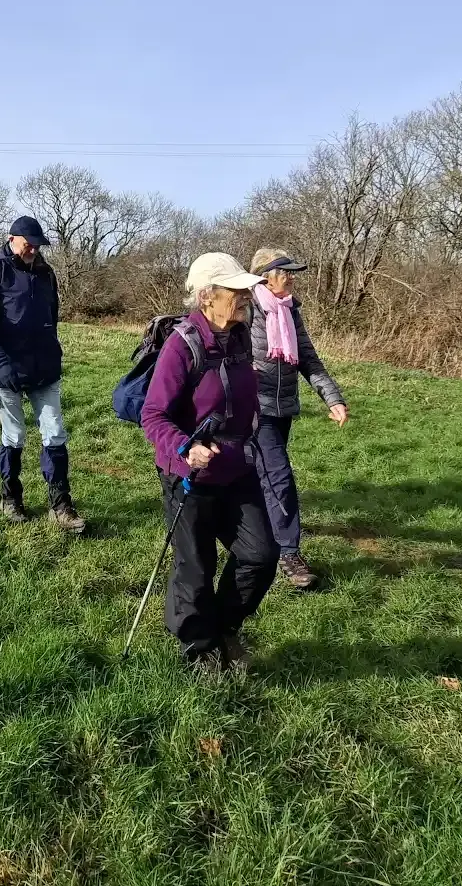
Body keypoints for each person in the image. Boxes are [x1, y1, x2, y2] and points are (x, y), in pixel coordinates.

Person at [141, 252, 279, 671]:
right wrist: (185, 448)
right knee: (196, 567)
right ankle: (199, 647)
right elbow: (153, 415)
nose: (245, 297)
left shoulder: (239, 337)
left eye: (245, 290)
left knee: (260, 556)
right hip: (190, 476)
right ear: (207, 297)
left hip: (236, 469)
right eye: (235, 291)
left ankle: (224, 627)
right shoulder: (182, 345)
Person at [0, 217, 84, 532]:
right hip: (5, 369)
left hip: (44, 367)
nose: (33, 250)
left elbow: (51, 317)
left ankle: (61, 505)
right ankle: (11, 497)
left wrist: (52, 350)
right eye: (27, 244)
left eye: (37, 245)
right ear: (12, 239)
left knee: (55, 433)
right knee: (14, 435)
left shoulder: (47, 274)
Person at [247, 248, 348, 590]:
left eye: (292, 272)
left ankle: (253, 535)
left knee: (260, 476)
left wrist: (333, 398)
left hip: (284, 408)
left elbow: (309, 359)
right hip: (254, 410)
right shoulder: (246, 308)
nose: (291, 277)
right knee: (279, 477)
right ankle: (288, 553)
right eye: (284, 271)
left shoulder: (290, 311)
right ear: (265, 277)